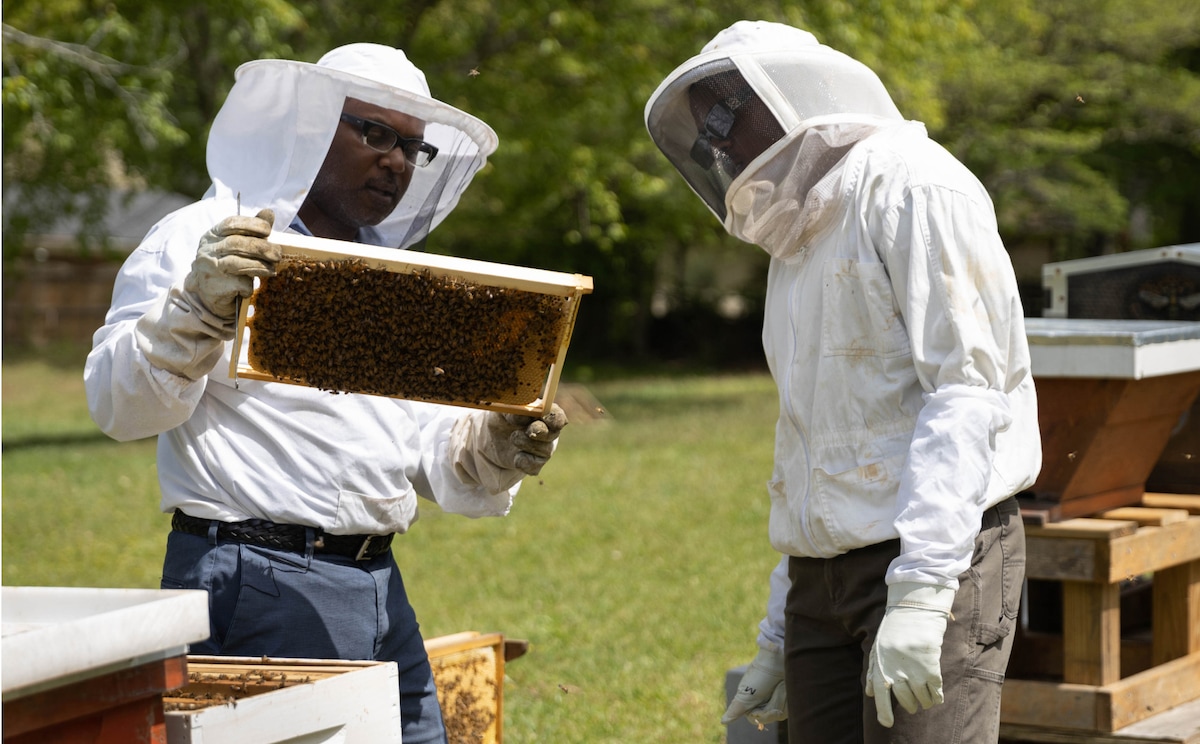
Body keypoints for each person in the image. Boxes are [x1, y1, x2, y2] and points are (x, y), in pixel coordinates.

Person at [85, 43, 567, 744]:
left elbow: (423, 450)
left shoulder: (390, 273)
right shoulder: (205, 238)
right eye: (375, 134)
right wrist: (196, 308)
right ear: (310, 127)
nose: (398, 161)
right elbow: (118, 405)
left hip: (377, 584)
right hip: (256, 579)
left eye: (413, 148)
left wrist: (495, 439)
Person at [645, 20, 1042, 744]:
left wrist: (923, 596)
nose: (720, 148)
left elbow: (966, 394)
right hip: (820, 580)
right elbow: (809, 442)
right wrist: (775, 632)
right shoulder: (795, 234)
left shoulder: (916, 186)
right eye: (707, 134)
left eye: (728, 119)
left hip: (934, 557)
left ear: (791, 96)